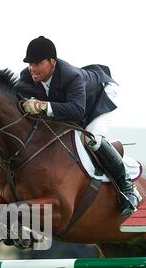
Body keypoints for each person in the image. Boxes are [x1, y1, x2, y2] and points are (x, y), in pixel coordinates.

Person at [18, 36, 141, 216]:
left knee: (92, 139)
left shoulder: (71, 76)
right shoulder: (27, 76)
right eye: (30, 63)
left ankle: (128, 189)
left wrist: (43, 106)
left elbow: (77, 111)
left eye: (37, 63)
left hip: (101, 96)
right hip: (79, 100)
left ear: (52, 62)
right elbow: (17, 95)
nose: (32, 68)